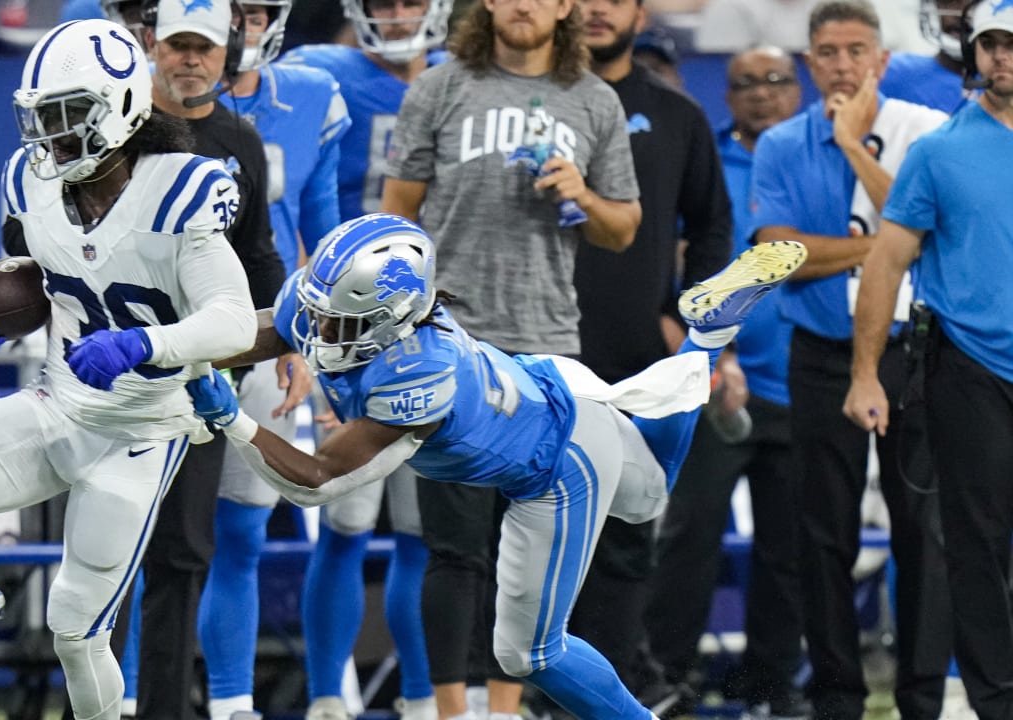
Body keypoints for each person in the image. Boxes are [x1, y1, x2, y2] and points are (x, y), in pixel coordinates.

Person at [185, 211, 808, 720]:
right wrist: (163, 350)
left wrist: (233, 420)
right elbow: (262, 332)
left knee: (530, 652)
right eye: (318, 307)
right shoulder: (343, 307)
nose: (317, 326)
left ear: (394, 316)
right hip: (547, 387)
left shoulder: (419, 377)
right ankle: (705, 339)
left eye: (336, 319)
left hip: (559, 461)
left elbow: (318, 481)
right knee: (647, 495)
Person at [0, 18, 258, 717]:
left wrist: (146, 345)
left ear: (119, 107)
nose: (48, 137)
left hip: (141, 432)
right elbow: (40, 284)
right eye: (38, 118)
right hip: (57, 405)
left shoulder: (182, 188)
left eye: (66, 116)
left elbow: (234, 319)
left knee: (75, 633)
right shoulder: (28, 181)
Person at [381, 1, 644, 718]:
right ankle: (447, 711)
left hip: (547, 344)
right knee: (451, 544)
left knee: (524, 547)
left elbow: (624, 227)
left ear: (566, 7)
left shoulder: (595, 100)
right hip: (447, 342)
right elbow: (397, 213)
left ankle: (506, 709)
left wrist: (581, 194)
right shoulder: (437, 88)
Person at [751, 2, 953, 718]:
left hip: (915, 352)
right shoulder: (778, 143)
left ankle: (922, 699)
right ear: (809, 64)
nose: (842, 64)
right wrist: (882, 247)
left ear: (882, 61)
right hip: (819, 354)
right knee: (821, 535)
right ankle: (836, 697)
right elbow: (777, 254)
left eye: (856, 50)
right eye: (828, 52)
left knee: (922, 535)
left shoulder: (924, 132)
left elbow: (927, 228)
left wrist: (851, 145)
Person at [282, 4, 457, 719]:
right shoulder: (319, 74)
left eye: (409, 0)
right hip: (345, 328)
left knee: (423, 531)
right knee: (346, 521)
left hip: (433, 326)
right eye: (380, 1)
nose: (395, 14)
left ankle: (422, 698)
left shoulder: (463, 80)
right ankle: (329, 697)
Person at [843, 2, 1013, 716]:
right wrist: (863, 375)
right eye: (992, 45)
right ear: (974, 55)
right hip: (968, 366)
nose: (1003, 57)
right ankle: (998, 700)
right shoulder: (939, 151)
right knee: (975, 544)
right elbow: (885, 265)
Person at [566, 0, 732, 706]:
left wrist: (685, 322)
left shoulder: (677, 116)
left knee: (626, 536)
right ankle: (509, 694)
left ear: (640, 11)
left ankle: (605, 697)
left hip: (637, 361)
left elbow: (715, 230)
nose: (599, 9)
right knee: (511, 529)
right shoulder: (517, 104)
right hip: (525, 355)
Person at [137, 3, 299, 720]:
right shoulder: (114, 126)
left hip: (207, 375)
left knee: (183, 552)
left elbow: (260, 253)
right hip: (124, 370)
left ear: (227, 48)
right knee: (110, 552)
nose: (191, 60)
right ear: (151, 44)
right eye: (178, 45)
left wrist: (291, 341)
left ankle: (165, 709)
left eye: (205, 47)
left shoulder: (240, 138)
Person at [641, 46, 808, 720]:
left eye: (774, 81)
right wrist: (707, 358)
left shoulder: (814, 156)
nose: (761, 94)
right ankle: (667, 677)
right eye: (745, 84)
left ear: (795, 89)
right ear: (727, 96)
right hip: (716, 382)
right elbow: (674, 263)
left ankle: (771, 681)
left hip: (802, 379)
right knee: (690, 536)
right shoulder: (701, 158)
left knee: (791, 547)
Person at [197, 3, 351, 720]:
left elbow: (320, 228)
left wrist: (306, 341)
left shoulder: (311, 94)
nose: (242, 23)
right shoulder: (162, 86)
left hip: (262, 331)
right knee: (137, 534)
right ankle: (126, 699)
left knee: (241, 532)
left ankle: (231, 704)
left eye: (254, 8)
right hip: (165, 331)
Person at [879, 0, 970, 113]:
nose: (960, 13)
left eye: (973, 3)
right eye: (950, 1)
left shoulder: (996, 84)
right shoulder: (887, 72)